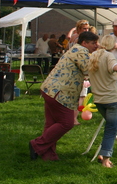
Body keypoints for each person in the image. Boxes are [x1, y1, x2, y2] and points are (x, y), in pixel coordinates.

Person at [29, 31, 99, 161]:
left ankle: (48, 154)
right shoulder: (80, 51)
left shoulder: (75, 50)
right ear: (84, 43)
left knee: (51, 123)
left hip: (49, 89)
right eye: (93, 43)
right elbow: (87, 69)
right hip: (59, 93)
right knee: (66, 123)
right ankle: (36, 144)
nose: (96, 46)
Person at [88, 35, 117, 168]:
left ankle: (102, 153)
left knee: (111, 125)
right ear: (112, 45)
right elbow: (116, 67)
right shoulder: (109, 56)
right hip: (112, 98)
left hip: (98, 99)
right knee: (111, 128)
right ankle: (106, 160)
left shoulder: (93, 56)